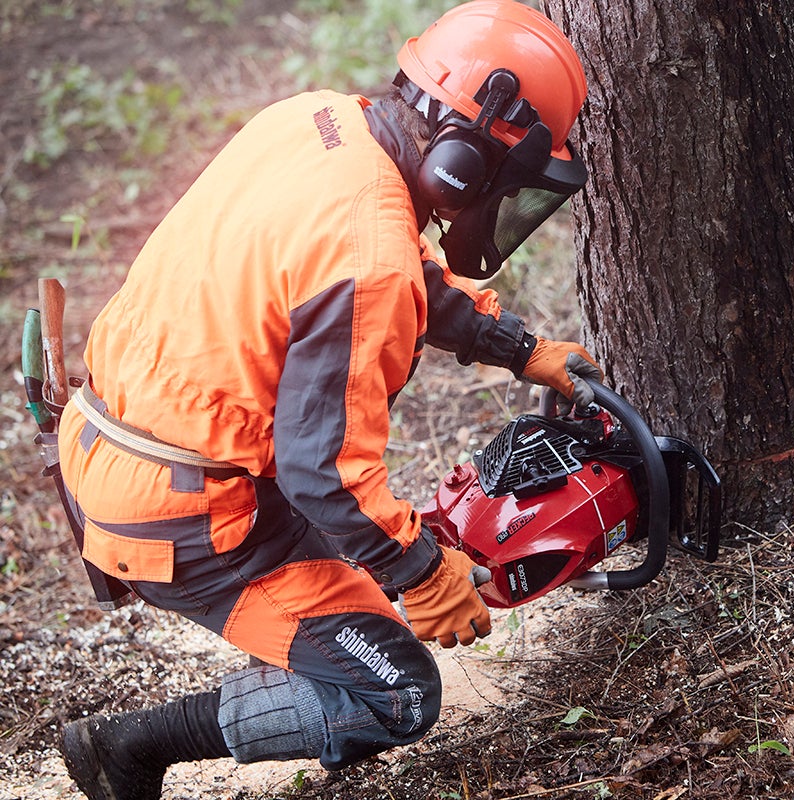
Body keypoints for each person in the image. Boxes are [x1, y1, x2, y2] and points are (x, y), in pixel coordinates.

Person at [55, 2, 601, 798]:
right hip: (185, 516)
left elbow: (372, 264)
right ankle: (128, 749)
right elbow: (324, 473)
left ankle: (309, 624)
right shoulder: (371, 256)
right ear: (465, 165)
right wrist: (422, 574)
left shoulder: (317, 120)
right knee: (399, 692)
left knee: (363, 553)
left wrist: (521, 349)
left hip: (107, 439)